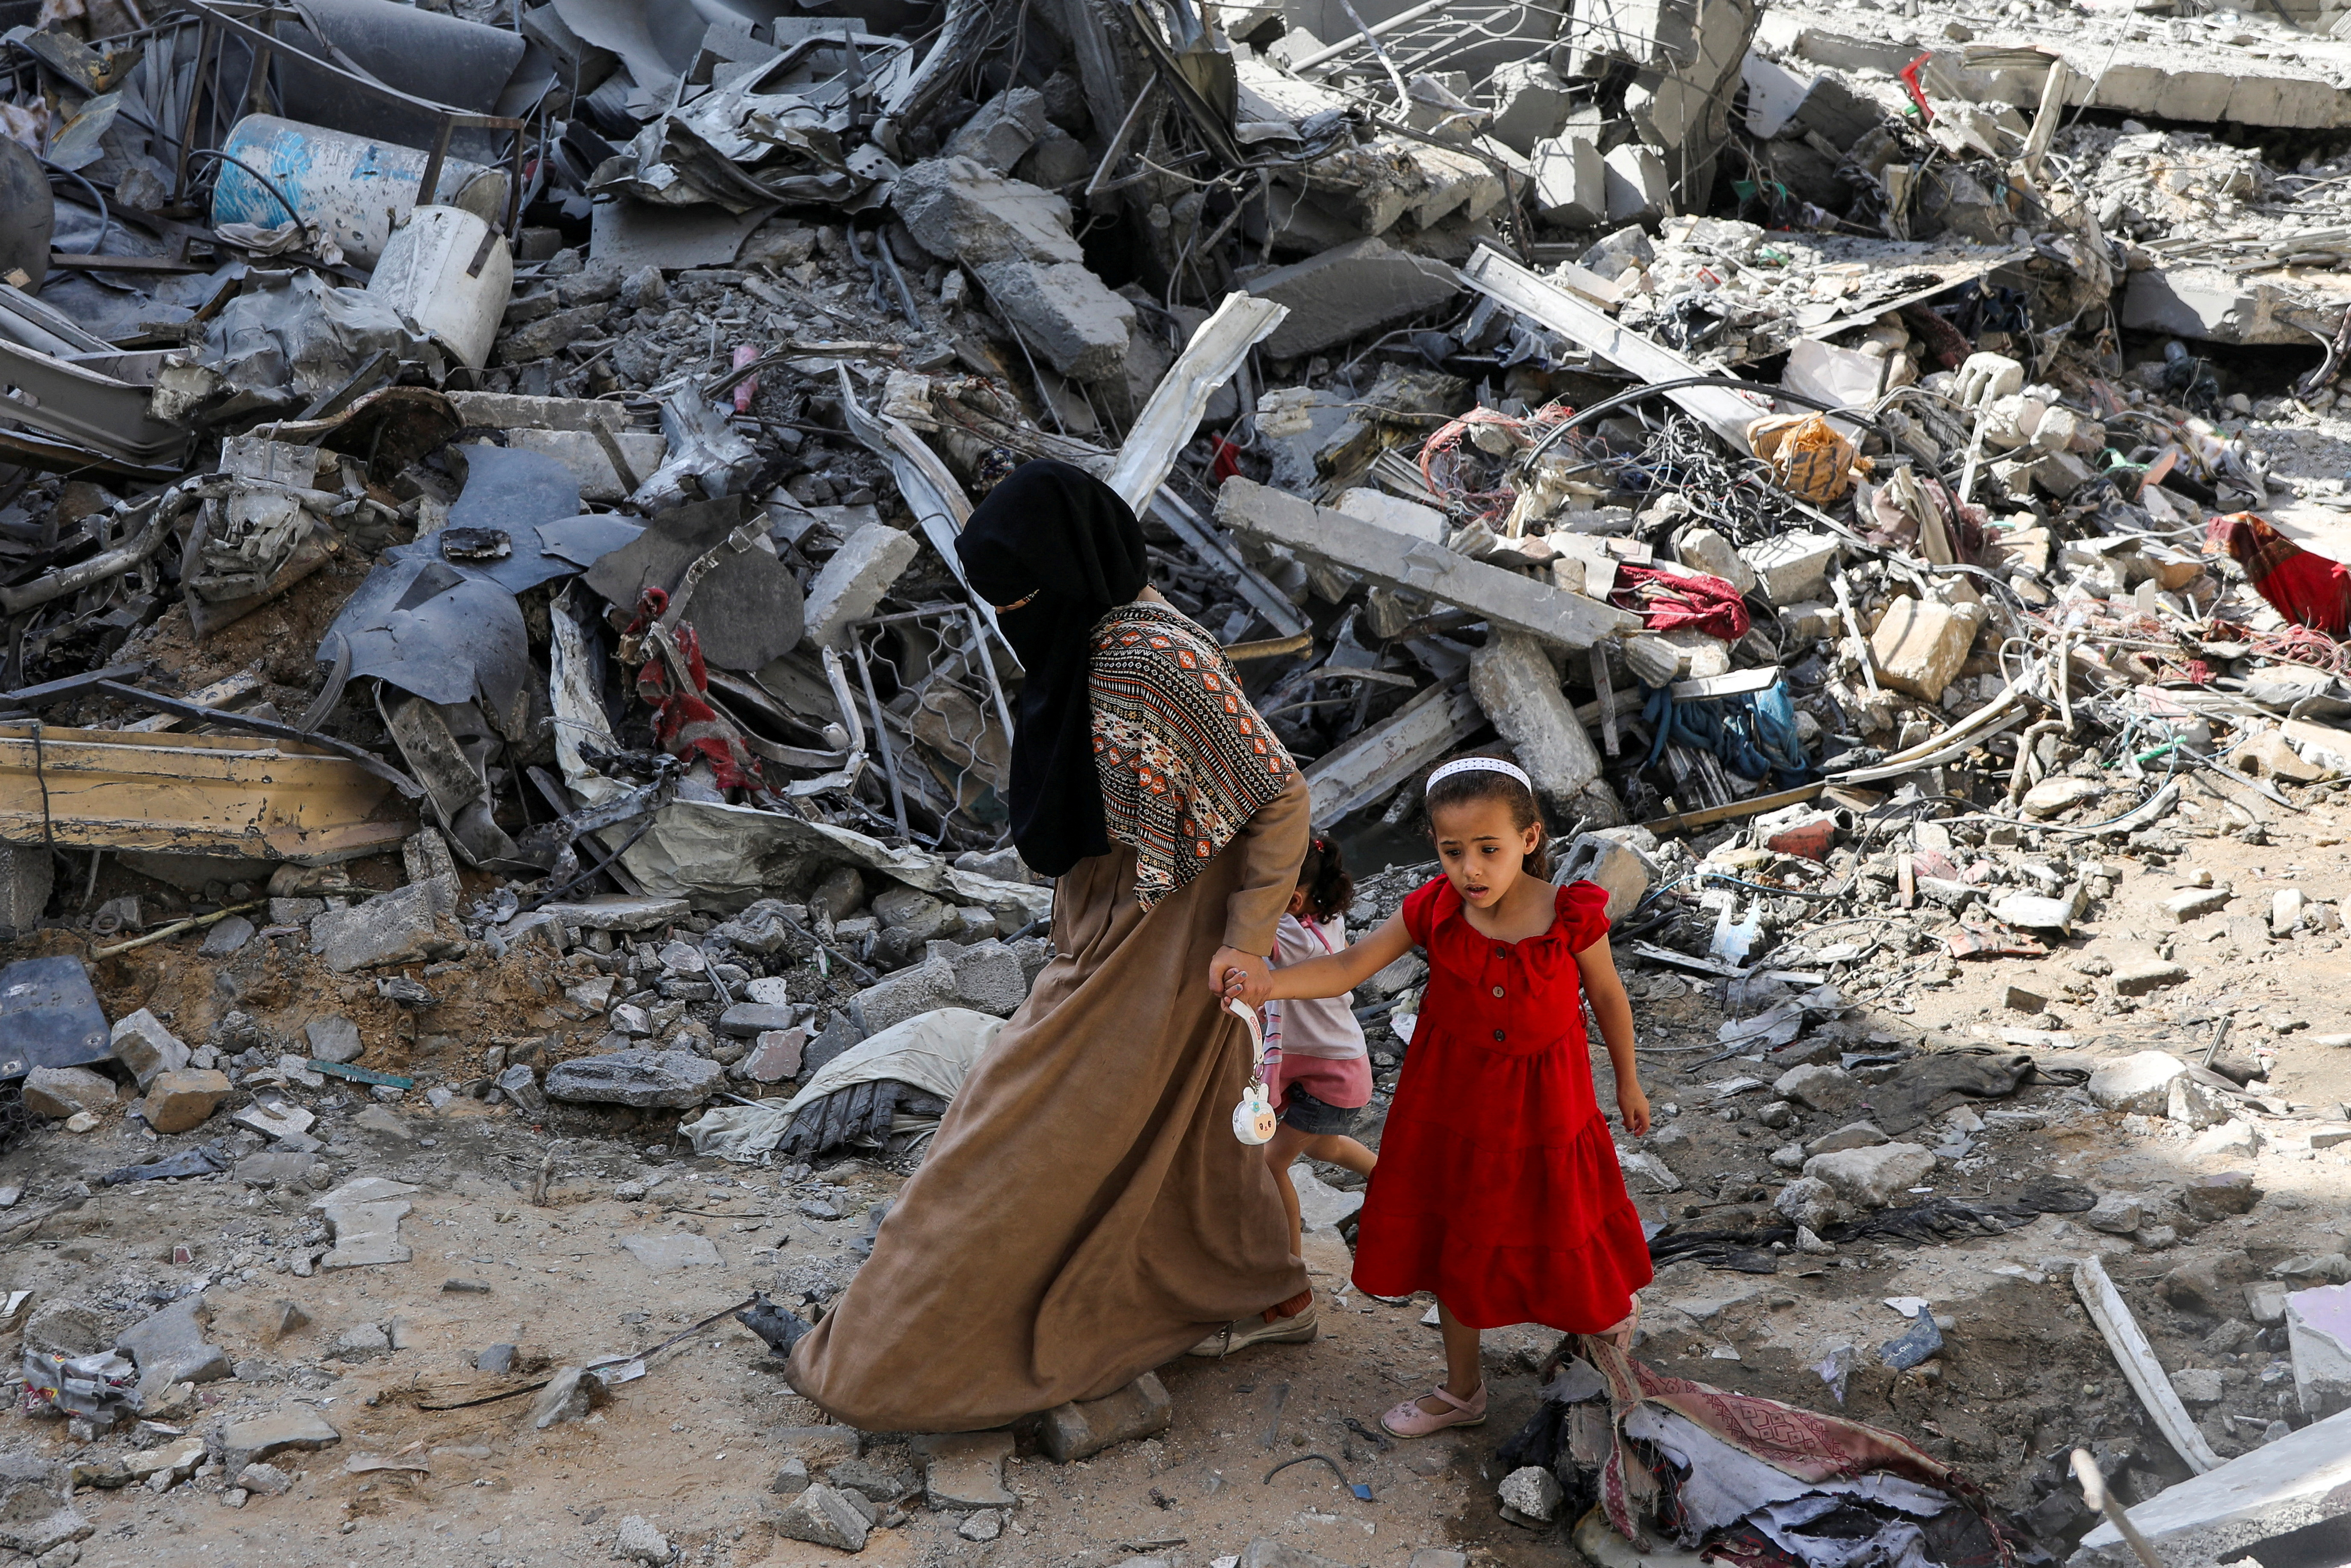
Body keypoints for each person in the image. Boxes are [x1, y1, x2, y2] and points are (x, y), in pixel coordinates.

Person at [784, 458, 1315, 1431]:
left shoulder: (1151, 655)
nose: (1014, 615)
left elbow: (1277, 796)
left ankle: (869, 1369)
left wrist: (1243, 945)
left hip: (1161, 944)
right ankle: (1269, 1294)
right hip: (1107, 930)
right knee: (1184, 1132)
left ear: (1069, 568)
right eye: (1001, 601)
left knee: (1003, 1141)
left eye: (1025, 594)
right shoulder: (1087, 641)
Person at [1223, 753, 1653, 1439]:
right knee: (1459, 1235)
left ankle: (1600, 1320)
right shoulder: (1434, 910)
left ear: (1530, 840)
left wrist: (1628, 1080)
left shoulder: (1568, 916)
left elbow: (1607, 996)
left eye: (1489, 850)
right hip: (1452, 1108)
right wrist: (1268, 983)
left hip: (1550, 1108)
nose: (1471, 870)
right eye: (1454, 852)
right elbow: (1345, 967)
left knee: (1562, 1215)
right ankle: (1461, 1391)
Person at [1197, 832, 1376, 1341]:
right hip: (1339, 1063)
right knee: (1322, 1143)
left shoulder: (1288, 932)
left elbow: (1240, 930)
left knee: (1274, 1161)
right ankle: (1391, 1185)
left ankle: (1290, 1268)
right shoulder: (1325, 919)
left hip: (1325, 1071)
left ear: (1291, 899)